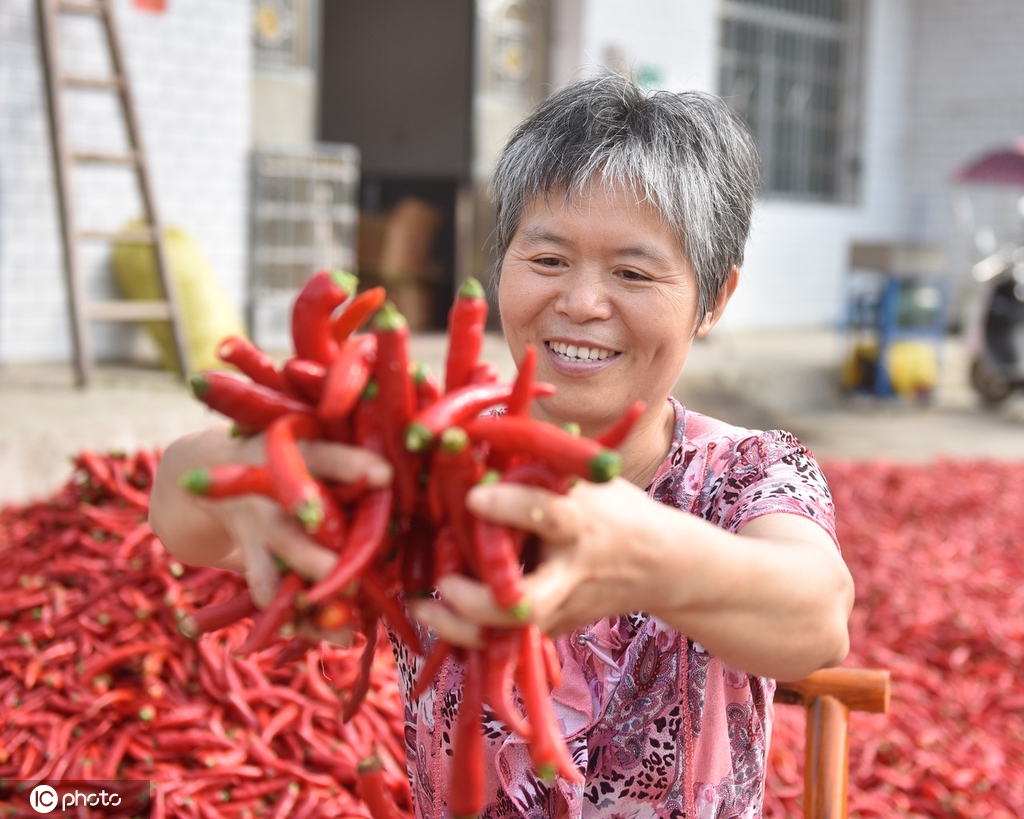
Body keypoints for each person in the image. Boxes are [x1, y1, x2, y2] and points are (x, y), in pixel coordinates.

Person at [150, 72, 854, 819]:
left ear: (713, 299)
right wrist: (248, 466)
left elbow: (816, 616)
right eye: (548, 260)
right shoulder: (429, 456)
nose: (581, 303)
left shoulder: (747, 473)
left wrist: (651, 556)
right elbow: (180, 514)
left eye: (633, 272)